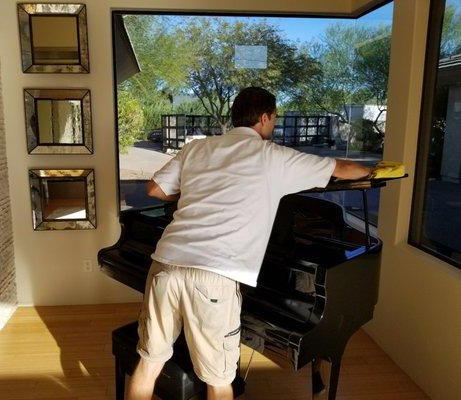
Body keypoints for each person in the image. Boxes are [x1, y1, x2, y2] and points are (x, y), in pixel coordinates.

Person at [126, 87, 371, 400]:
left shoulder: (197, 148)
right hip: (213, 278)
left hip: (166, 264)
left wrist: (193, 192)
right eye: (274, 120)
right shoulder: (272, 155)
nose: (274, 126)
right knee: (218, 381)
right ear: (265, 118)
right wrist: (374, 170)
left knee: (148, 362)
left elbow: (156, 189)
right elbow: (342, 169)